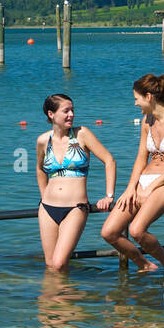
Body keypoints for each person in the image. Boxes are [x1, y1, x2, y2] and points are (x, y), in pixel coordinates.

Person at [101, 73, 164, 273]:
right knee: (109, 232)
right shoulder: (147, 120)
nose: (135, 104)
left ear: (148, 97)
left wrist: (153, 187)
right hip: (143, 180)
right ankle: (144, 264)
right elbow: (141, 157)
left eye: (136, 99)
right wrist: (131, 188)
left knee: (136, 230)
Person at [36, 94, 116, 273]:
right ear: (51, 114)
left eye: (72, 110)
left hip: (75, 208)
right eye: (66, 111)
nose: (71, 114)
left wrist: (109, 195)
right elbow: (40, 170)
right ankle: (57, 300)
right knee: (51, 265)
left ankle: (64, 299)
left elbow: (109, 161)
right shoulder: (43, 141)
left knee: (58, 263)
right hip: (47, 208)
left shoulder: (82, 134)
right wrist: (43, 197)